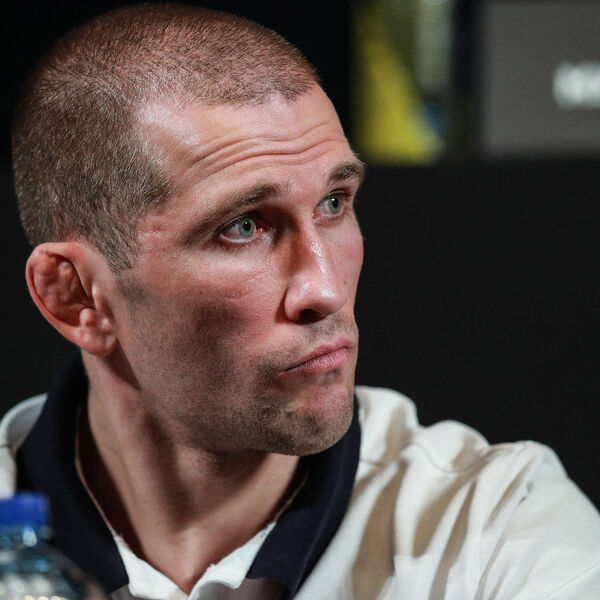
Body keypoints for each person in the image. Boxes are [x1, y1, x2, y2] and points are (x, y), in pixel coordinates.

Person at [1, 3, 599, 599]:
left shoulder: (498, 532)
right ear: (76, 296)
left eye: (334, 203)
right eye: (243, 226)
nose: (325, 290)